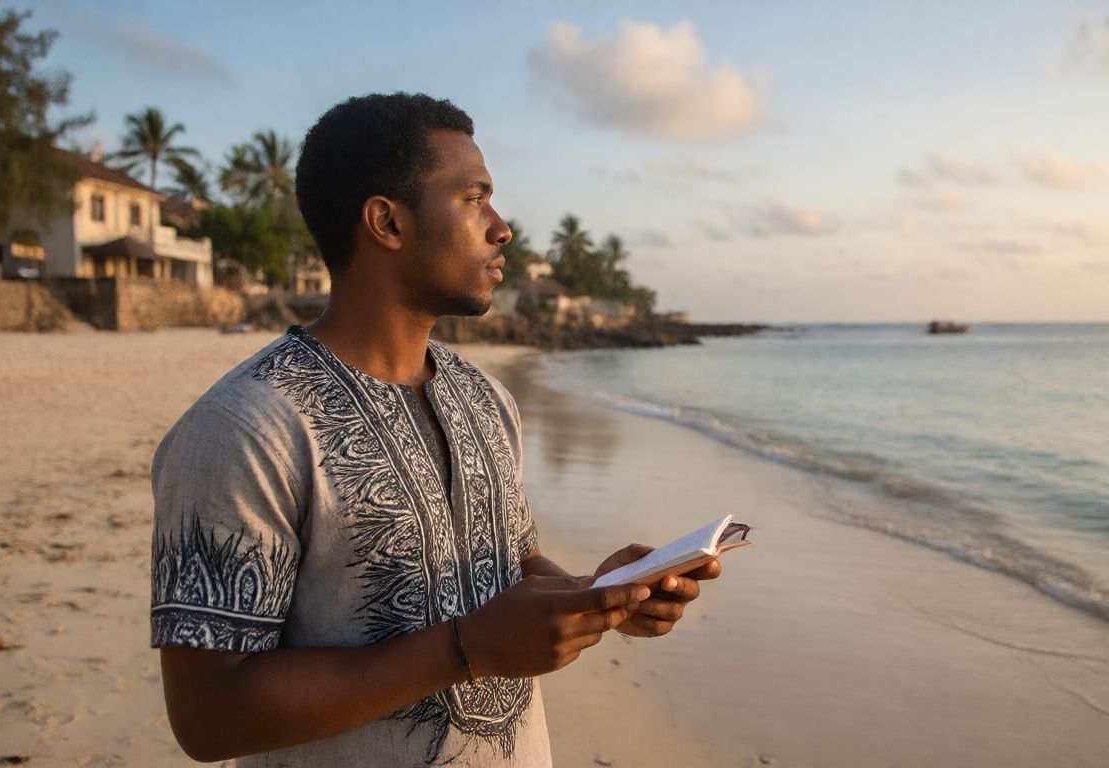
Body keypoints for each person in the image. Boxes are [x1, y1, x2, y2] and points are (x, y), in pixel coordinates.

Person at [149, 92, 721, 766]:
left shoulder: (485, 398)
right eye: (474, 198)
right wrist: (465, 649)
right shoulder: (244, 430)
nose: (501, 227)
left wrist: (601, 595)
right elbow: (208, 717)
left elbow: (512, 562)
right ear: (387, 223)